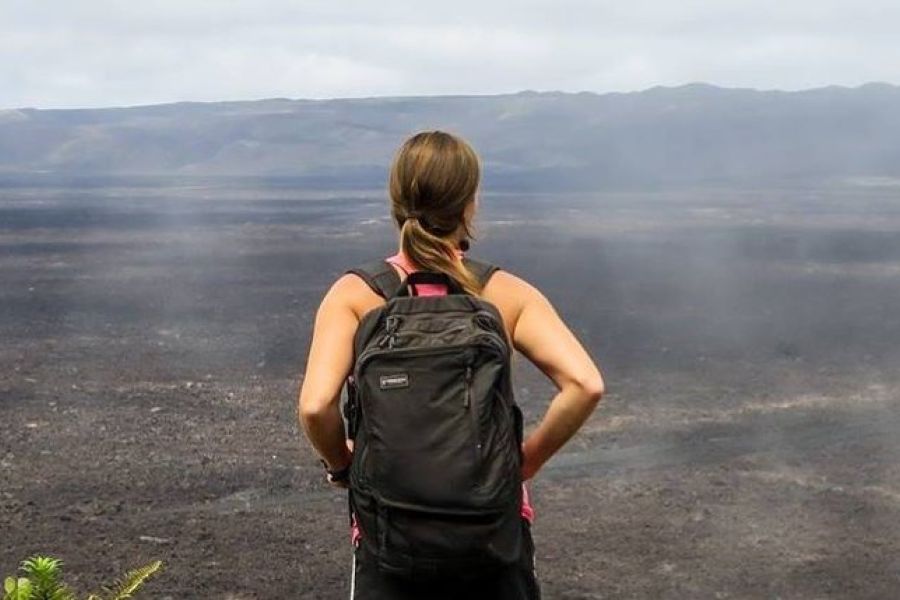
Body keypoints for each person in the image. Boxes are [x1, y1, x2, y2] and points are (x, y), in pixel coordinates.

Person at [298, 130, 605, 599]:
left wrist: (344, 467)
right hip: (491, 537)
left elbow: (317, 406)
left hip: (389, 538)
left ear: (397, 200)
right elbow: (584, 384)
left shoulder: (356, 295)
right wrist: (524, 464)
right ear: (470, 203)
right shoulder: (505, 293)